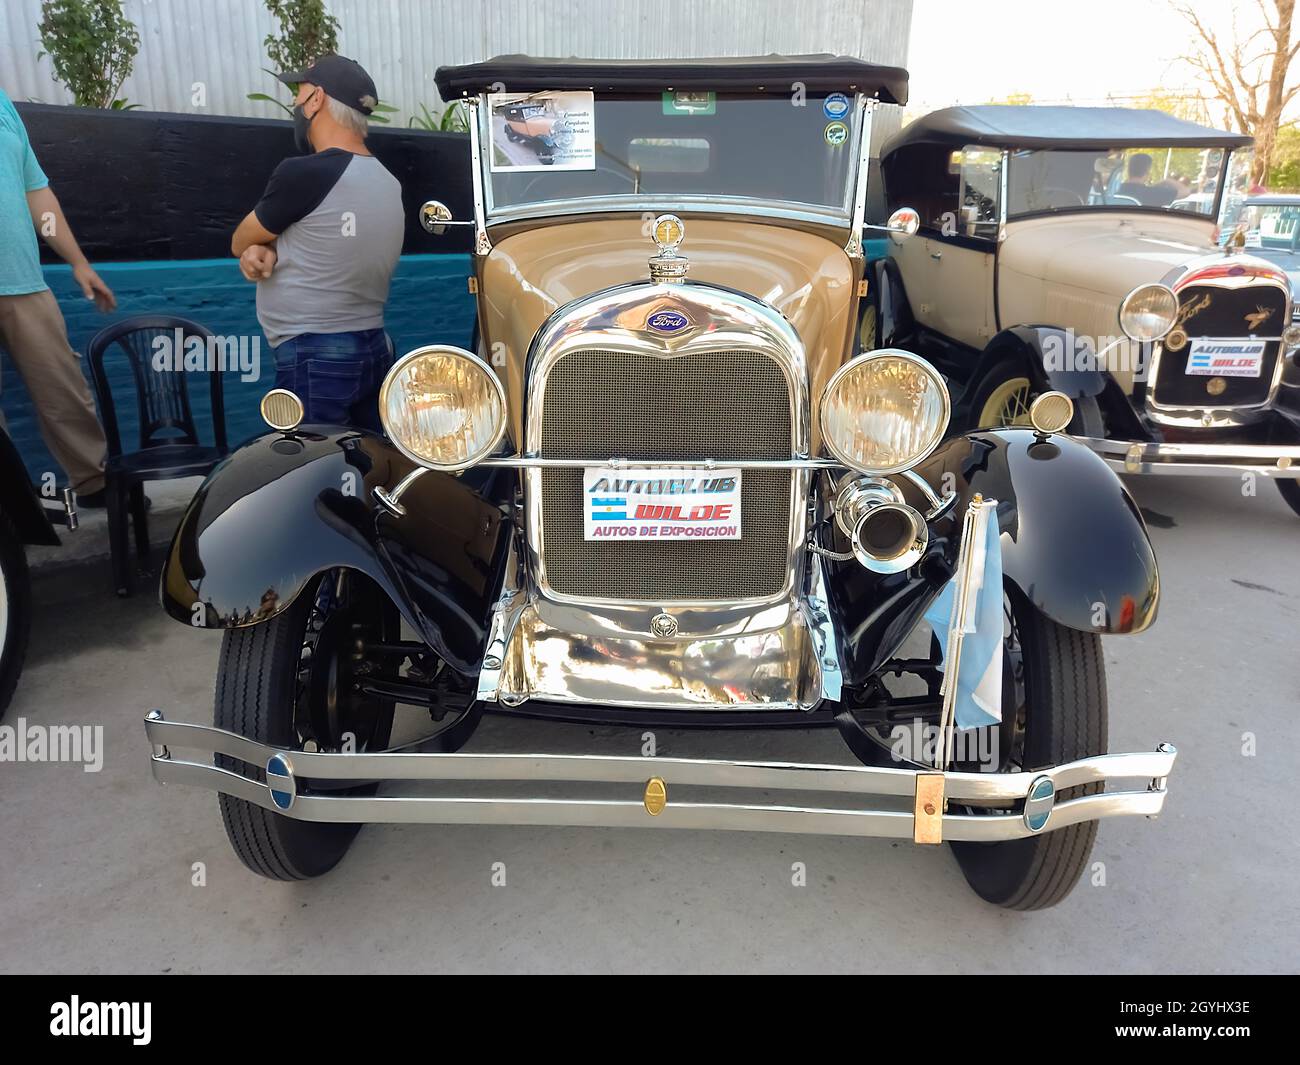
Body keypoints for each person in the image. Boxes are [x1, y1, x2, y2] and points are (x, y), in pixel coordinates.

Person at [232, 55, 404, 431]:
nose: (295, 103)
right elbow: (331, 245)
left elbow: (239, 239)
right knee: (366, 470)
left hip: (315, 358)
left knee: (307, 471)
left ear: (317, 99)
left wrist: (259, 245)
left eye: (300, 93)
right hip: (374, 348)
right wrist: (271, 250)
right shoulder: (388, 182)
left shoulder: (304, 173)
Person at [0, 86, 115, 506]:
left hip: (23, 279)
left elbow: (36, 192)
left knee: (64, 391)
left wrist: (78, 262)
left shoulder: (4, 104)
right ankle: (10, 508)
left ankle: (94, 484)